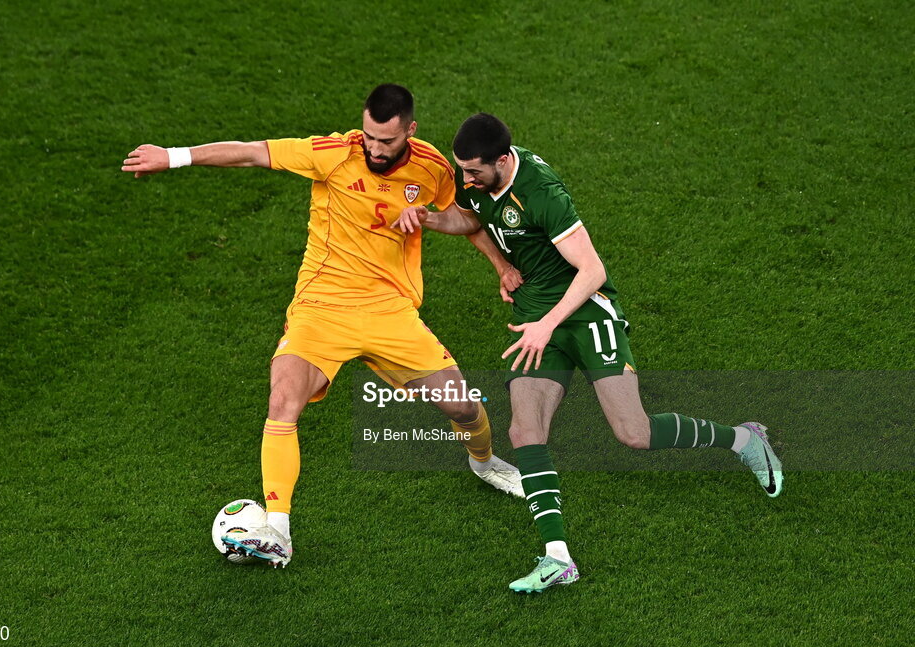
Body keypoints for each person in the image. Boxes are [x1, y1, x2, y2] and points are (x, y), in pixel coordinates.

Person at [121, 87, 525, 568]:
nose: (374, 149)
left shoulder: (434, 167)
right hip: (322, 307)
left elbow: (468, 221)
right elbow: (253, 153)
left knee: (462, 406)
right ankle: (278, 531)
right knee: (282, 401)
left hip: (389, 310)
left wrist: (496, 263)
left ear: (410, 131)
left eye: (387, 141)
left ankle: (484, 464)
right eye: (370, 137)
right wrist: (174, 156)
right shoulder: (333, 153)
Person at [392, 113, 784, 593]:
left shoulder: (542, 194)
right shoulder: (477, 177)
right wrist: (430, 219)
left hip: (582, 312)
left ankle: (745, 440)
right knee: (524, 428)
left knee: (634, 433)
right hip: (535, 312)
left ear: (502, 161)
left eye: (473, 172)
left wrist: (547, 326)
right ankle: (559, 558)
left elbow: (592, 269)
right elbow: (471, 217)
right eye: (461, 170)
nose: (464, 179)